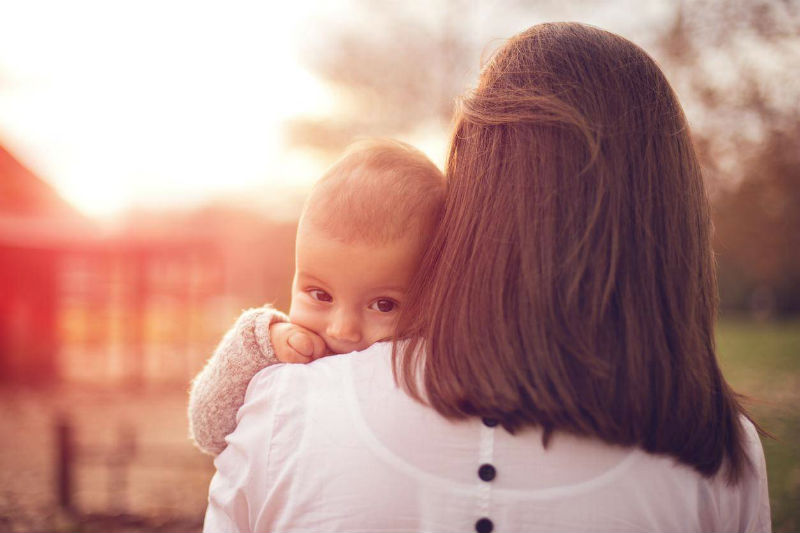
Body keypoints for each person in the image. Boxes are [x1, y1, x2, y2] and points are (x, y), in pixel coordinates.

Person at [202, 22, 771, 532]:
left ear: (468, 209)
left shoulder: (282, 410)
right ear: (673, 218)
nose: (345, 326)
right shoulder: (721, 458)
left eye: (382, 302)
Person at [188, 138, 445, 455]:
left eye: (384, 305)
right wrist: (260, 343)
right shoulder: (289, 352)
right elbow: (208, 431)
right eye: (320, 295)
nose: (342, 330)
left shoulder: (434, 367)